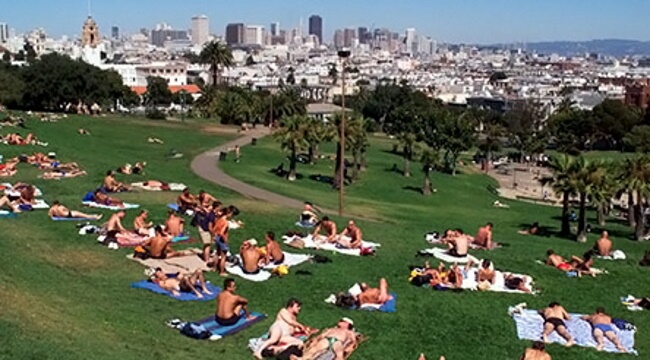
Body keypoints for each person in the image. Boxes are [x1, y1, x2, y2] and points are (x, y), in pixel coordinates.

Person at [290, 318, 357, 360]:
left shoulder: (349, 332)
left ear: (347, 324)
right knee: (314, 349)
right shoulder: (332, 329)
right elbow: (322, 335)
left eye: (342, 321)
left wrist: (350, 346)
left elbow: (353, 340)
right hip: (327, 339)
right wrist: (315, 340)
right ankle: (301, 359)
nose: (340, 321)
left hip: (338, 342)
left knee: (339, 355)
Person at [212, 206, 232, 276]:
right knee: (223, 256)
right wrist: (225, 240)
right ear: (228, 214)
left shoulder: (218, 219)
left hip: (217, 237)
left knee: (217, 253)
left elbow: (214, 229)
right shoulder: (225, 222)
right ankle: (222, 272)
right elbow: (222, 232)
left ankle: (214, 268)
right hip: (222, 239)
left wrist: (214, 236)